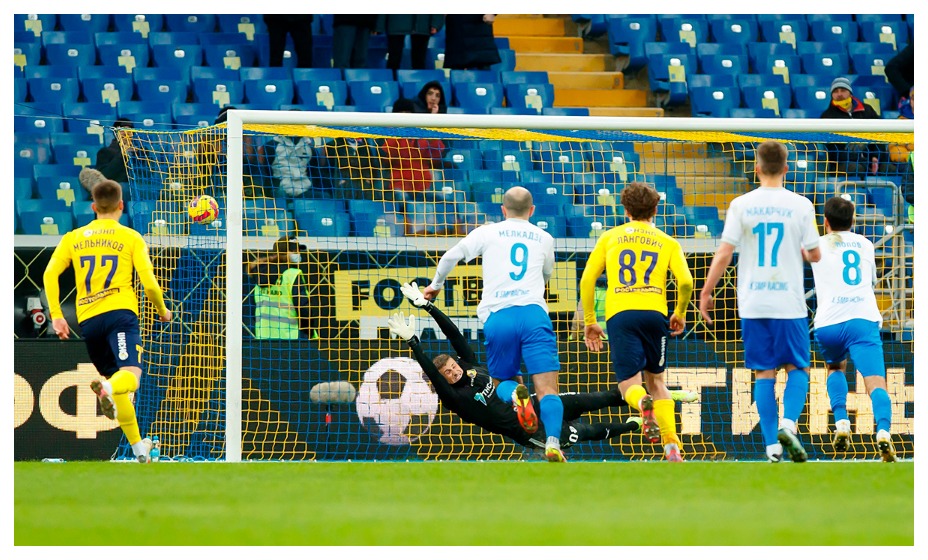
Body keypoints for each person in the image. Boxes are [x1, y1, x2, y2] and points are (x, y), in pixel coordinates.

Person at [388, 283, 696, 455]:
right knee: (587, 432)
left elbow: (454, 334)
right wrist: (414, 342)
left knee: (597, 398)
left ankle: (661, 398)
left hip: (538, 405)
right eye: (449, 374)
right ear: (443, 380)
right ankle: (634, 423)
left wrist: (428, 307)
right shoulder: (454, 398)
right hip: (528, 430)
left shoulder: (470, 368)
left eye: (454, 367)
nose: (454, 372)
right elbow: (432, 372)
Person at [421, 186, 567, 462]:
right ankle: (552, 442)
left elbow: (450, 256)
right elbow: (546, 274)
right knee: (548, 389)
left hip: (499, 317)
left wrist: (436, 285)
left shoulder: (487, 232)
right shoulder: (545, 238)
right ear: (532, 210)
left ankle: (516, 396)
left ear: (503, 209)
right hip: (534, 314)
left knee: (502, 382)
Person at [698, 141, 822, 463]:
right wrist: (801, 252)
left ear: (756, 169)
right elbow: (816, 254)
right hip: (788, 302)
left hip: (753, 303)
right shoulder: (801, 204)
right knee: (798, 368)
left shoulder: (741, 204)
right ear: (786, 168)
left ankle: (771, 447)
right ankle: (788, 424)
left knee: (763, 373)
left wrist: (707, 291)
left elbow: (724, 252)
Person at [42, 178, 171, 463]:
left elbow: (50, 274)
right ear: (121, 205)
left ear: (93, 207)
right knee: (130, 379)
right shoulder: (131, 237)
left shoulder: (73, 237)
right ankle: (107, 390)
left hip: (89, 321)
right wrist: (162, 310)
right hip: (120, 316)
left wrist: (57, 316)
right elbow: (149, 284)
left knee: (118, 380)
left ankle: (139, 449)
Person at [579, 182, 694, 462]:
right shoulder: (668, 242)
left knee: (628, 385)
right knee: (657, 382)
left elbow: (587, 279)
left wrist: (590, 320)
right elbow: (686, 281)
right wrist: (679, 312)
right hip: (655, 314)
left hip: (621, 314)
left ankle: (642, 403)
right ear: (656, 209)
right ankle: (672, 446)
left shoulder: (610, 237)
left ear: (625, 209)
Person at [809, 196, 896, 462]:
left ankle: (842, 422)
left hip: (828, 322)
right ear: (853, 220)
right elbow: (871, 281)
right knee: (876, 383)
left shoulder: (816, 245)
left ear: (825, 221)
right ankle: (883, 432)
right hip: (862, 318)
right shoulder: (866, 244)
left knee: (835, 368)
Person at [380, 98, 445, 209]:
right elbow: (387, 158)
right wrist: (399, 134)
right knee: (403, 201)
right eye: (401, 112)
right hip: (399, 186)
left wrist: (431, 132)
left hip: (423, 186)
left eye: (407, 112)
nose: (404, 115)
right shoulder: (388, 134)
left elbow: (436, 154)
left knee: (441, 201)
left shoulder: (421, 135)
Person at [246, 235, 314, 340]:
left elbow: (252, 309)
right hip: (291, 339)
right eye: (294, 251)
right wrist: (308, 333)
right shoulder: (292, 274)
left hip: (263, 338)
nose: (298, 254)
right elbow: (304, 309)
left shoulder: (259, 274)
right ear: (284, 253)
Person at [820, 77, 884, 176]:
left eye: (843, 90)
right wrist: (860, 158)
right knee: (858, 169)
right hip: (842, 163)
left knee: (889, 168)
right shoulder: (827, 116)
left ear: (850, 92)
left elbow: (880, 135)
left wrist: (875, 157)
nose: (839, 94)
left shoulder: (867, 110)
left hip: (870, 159)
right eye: (836, 91)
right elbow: (832, 151)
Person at [377, 15, 444, 73]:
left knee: (419, 61)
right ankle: (392, 81)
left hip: (421, 23)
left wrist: (436, 23)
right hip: (399, 22)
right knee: (394, 59)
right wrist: (379, 26)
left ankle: (418, 81)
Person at [80, 118, 133, 192]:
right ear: (115, 133)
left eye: (129, 131)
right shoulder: (105, 152)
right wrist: (122, 156)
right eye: (123, 131)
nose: (126, 133)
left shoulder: (141, 152)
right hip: (114, 190)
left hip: (137, 189)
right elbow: (103, 176)